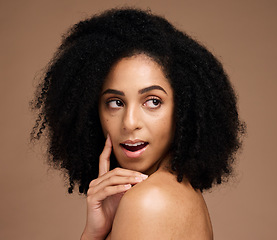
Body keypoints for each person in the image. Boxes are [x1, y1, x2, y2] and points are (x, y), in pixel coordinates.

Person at [31, 8, 245, 240]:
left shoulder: (149, 201)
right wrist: (95, 232)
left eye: (153, 101)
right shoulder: (178, 190)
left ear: (183, 108)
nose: (130, 123)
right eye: (115, 102)